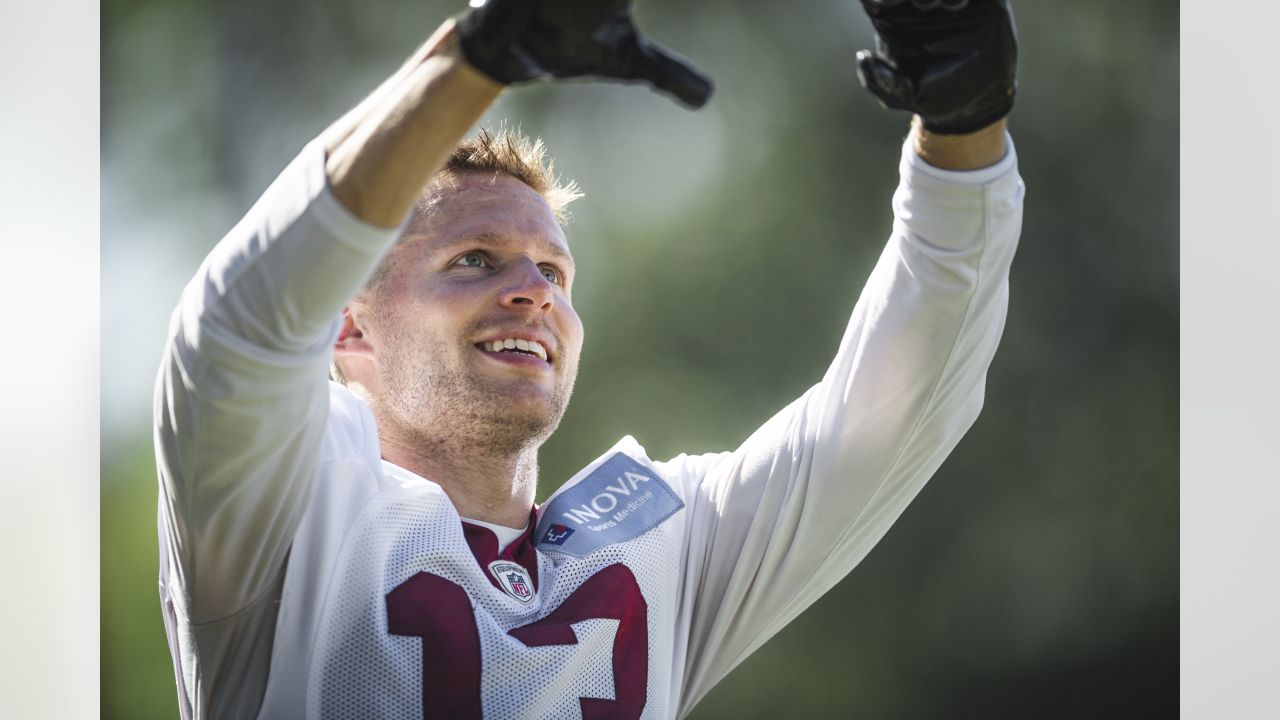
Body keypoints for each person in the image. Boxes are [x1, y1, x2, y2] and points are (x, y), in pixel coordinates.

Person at [153, 0, 1023, 717]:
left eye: (556, 272)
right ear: (349, 329)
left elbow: (897, 406)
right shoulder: (283, 513)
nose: (536, 292)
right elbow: (233, 335)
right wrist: (472, 62)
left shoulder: (658, 542)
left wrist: (964, 128)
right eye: (475, 261)